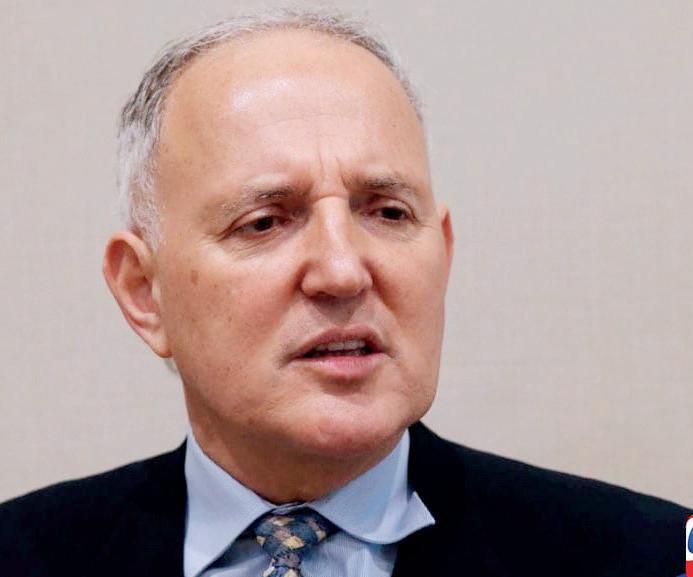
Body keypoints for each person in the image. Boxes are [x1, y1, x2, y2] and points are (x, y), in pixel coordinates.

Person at [0, 8, 689, 577]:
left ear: (442, 255)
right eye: (264, 221)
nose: (342, 271)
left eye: (387, 212)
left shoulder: (651, 555)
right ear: (143, 292)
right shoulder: (24, 554)